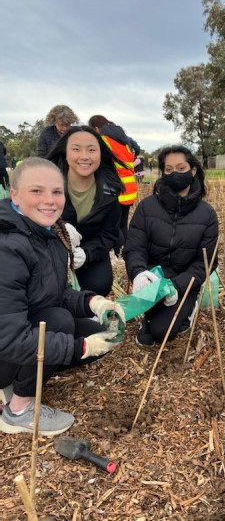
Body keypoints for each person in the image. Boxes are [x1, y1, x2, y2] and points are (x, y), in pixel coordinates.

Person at [0, 158, 125, 436]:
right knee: (58, 322)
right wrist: (79, 348)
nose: (50, 200)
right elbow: (9, 337)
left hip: (21, 331)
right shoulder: (8, 246)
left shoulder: (48, 234)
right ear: (15, 195)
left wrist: (95, 302)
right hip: (6, 343)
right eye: (37, 191)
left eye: (57, 192)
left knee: (97, 332)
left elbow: (57, 292)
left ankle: (20, 378)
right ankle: (18, 411)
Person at [123, 145, 218, 346]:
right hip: (152, 278)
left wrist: (176, 286)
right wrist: (139, 273)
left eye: (181, 168)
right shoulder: (147, 207)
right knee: (144, 335)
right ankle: (149, 315)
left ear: (193, 171)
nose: (175, 174)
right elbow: (135, 247)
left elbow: (204, 263)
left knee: (160, 332)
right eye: (169, 170)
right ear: (163, 173)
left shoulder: (207, 214)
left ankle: (189, 306)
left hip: (182, 284)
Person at [47, 126, 124, 296]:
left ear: (100, 154)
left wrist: (86, 254)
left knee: (100, 284)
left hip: (90, 250)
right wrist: (59, 226)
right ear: (65, 153)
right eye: (76, 149)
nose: (84, 156)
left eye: (91, 150)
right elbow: (29, 219)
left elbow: (109, 234)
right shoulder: (47, 184)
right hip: (52, 250)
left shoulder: (110, 191)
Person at [88, 116, 137, 255]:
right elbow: (136, 151)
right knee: (122, 224)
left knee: (114, 226)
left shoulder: (103, 139)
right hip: (129, 186)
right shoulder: (123, 140)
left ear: (96, 129)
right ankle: (127, 253)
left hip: (116, 187)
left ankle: (121, 254)